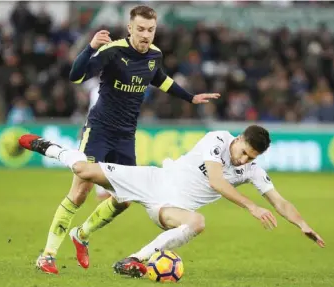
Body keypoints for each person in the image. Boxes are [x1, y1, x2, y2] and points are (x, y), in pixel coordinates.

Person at [36, 5, 220, 274]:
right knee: (80, 191)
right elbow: (76, 77)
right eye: (141, 29)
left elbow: (160, 79)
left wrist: (190, 97)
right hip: (99, 130)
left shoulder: (155, 55)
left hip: (125, 137)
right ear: (130, 28)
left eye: (151, 30)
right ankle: (48, 255)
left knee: (123, 200)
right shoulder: (113, 51)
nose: (146, 35)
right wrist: (89, 47)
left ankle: (82, 234)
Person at [19, 125, 325, 277]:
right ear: (239, 139)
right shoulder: (218, 139)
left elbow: (279, 201)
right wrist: (251, 206)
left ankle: (134, 260)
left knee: (198, 222)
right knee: (83, 170)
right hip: (154, 179)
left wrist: (302, 224)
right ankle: (49, 147)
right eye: (244, 151)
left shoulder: (253, 170)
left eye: (251, 158)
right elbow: (217, 181)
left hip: (170, 209)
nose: (244, 160)